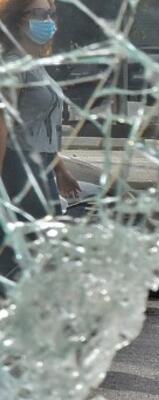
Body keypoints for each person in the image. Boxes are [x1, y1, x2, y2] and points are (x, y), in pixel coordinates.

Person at [0, 0, 79, 285]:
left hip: (41, 165)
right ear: (20, 20)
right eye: (40, 14)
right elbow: (4, 126)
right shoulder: (13, 67)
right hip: (19, 167)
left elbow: (39, 127)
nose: (49, 20)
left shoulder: (35, 65)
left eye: (51, 14)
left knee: (40, 245)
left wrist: (60, 170)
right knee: (26, 245)